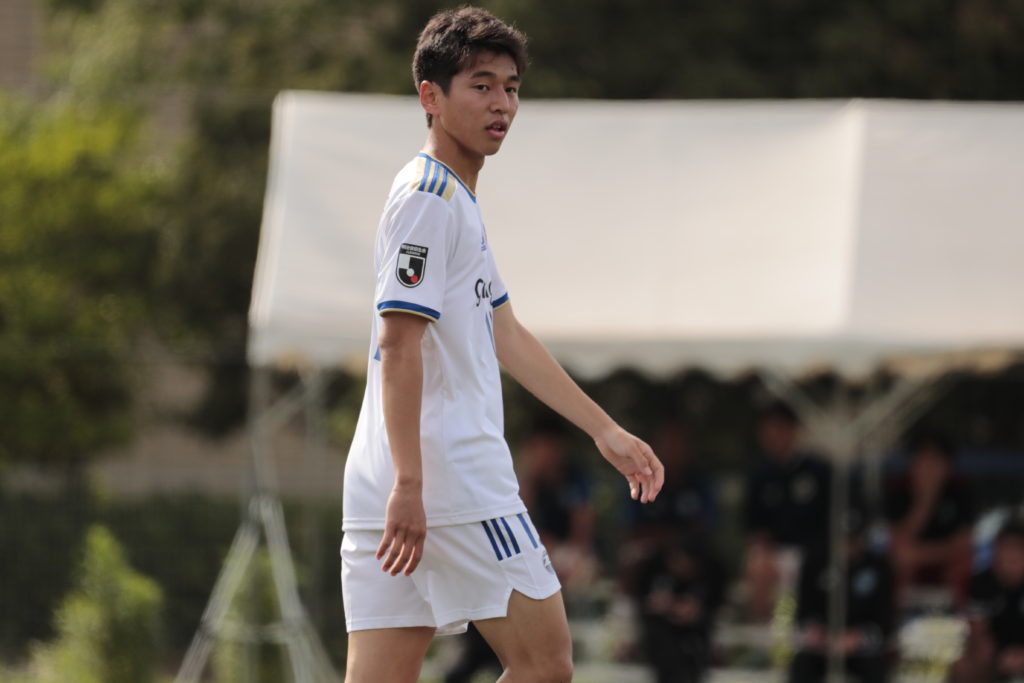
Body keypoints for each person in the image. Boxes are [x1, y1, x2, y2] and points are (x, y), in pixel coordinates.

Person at [339, 8, 664, 683]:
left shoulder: (450, 197)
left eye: (511, 88)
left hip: (388, 482)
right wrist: (411, 483)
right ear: (430, 97)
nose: (502, 104)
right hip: (448, 480)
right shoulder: (430, 197)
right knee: (546, 664)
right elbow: (398, 345)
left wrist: (604, 430)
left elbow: (505, 333)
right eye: (481, 85)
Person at [742, 401, 832, 622]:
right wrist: (764, 550)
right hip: (776, 553)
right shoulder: (760, 475)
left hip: (813, 553)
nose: (773, 436)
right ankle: (762, 632)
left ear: (792, 430)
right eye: (768, 430)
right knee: (759, 565)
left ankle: (802, 628)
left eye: (779, 428)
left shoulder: (818, 470)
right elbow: (755, 528)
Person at [788, 507, 895, 683]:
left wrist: (857, 638)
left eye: (852, 540)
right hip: (822, 645)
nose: (847, 546)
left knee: (875, 669)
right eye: (843, 539)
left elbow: (885, 623)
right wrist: (819, 634)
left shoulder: (879, 568)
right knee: (802, 665)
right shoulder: (815, 562)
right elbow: (803, 614)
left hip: (860, 648)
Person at [884, 431, 975, 611]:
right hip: (911, 571)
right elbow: (897, 549)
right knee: (898, 567)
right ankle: (898, 617)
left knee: (962, 565)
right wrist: (924, 502)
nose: (928, 467)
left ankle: (958, 618)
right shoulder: (897, 490)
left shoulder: (961, 492)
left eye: (935, 460)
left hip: (945, 567)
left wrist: (917, 554)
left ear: (948, 465)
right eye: (923, 459)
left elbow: (963, 547)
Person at [633, 533, 725, 683]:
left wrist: (695, 613)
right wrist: (662, 607)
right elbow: (644, 603)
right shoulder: (655, 569)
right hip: (662, 639)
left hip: (694, 641)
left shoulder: (711, 575)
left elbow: (712, 610)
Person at [949, 519, 1024, 683]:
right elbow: (978, 633)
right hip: (998, 655)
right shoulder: (981, 584)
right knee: (962, 668)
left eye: (1017, 549)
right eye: (1005, 548)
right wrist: (997, 656)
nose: (1010, 556)